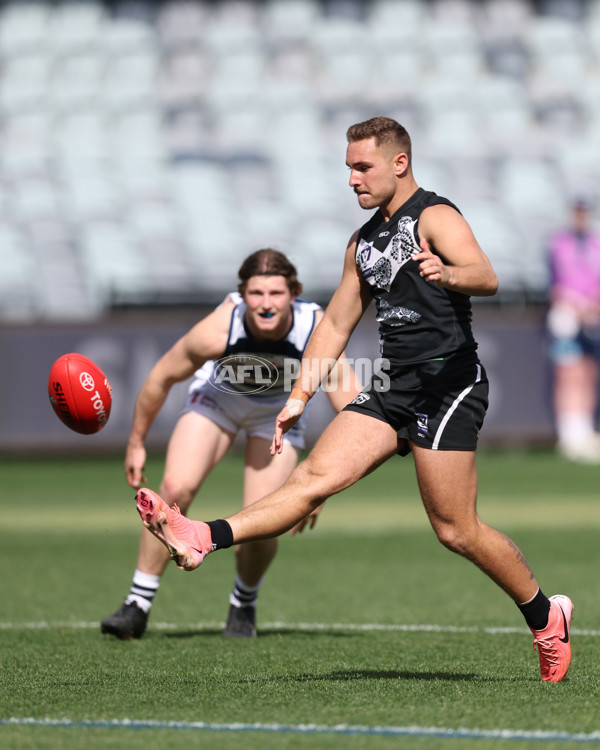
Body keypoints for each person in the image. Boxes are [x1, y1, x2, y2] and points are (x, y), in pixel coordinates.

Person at [133, 117, 574, 682]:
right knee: (311, 478)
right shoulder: (362, 243)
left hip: (447, 384)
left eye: (362, 166)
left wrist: (449, 271)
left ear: (399, 163)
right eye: (348, 167)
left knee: (455, 529)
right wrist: (298, 396)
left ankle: (545, 616)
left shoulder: (436, 216)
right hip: (394, 384)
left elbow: (486, 275)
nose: (352, 179)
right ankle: (202, 535)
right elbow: (338, 322)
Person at [101, 248, 361, 639]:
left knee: (262, 520)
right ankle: (138, 603)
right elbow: (160, 377)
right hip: (217, 401)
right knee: (175, 488)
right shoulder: (222, 326)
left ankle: (244, 602)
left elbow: (351, 411)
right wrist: (137, 441)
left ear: (295, 293)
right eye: (256, 293)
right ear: (242, 294)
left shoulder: (315, 327)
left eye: (276, 293)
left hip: (277, 414)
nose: (266, 303)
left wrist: (322, 483)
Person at [546, 197, 600, 463]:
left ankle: (585, 430)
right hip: (568, 312)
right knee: (568, 372)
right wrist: (573, 304)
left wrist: (594, 304)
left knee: (588, 371)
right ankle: (570, 433)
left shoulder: (595, 243)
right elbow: (554, 283)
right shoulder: (559, 243)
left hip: (592, 314)